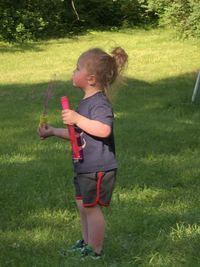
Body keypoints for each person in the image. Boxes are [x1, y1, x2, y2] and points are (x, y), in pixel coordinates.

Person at [38, 47, 128, 259]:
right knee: (83, 205)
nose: (73, 71)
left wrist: (77, 119)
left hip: (98, 167)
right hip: (84, 165)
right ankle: (86, 243)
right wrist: (52, 131)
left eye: (76, 68)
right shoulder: (86, 103)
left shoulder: (99, 103)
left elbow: (103, 129)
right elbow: (78, 134)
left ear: (90, 78)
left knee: (91, 208)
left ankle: (95, 250)